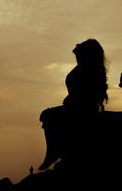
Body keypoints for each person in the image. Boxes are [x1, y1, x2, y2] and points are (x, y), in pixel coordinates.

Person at [39, 39, 108, 170]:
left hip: (81, 110)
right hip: (74, 107)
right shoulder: (84, 68)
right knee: (47, 116)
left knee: (48, 116)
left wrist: (71, 101)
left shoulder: (90, 71)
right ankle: (54, 152)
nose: (77, 49)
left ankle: (54, 153)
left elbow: (85, 96)